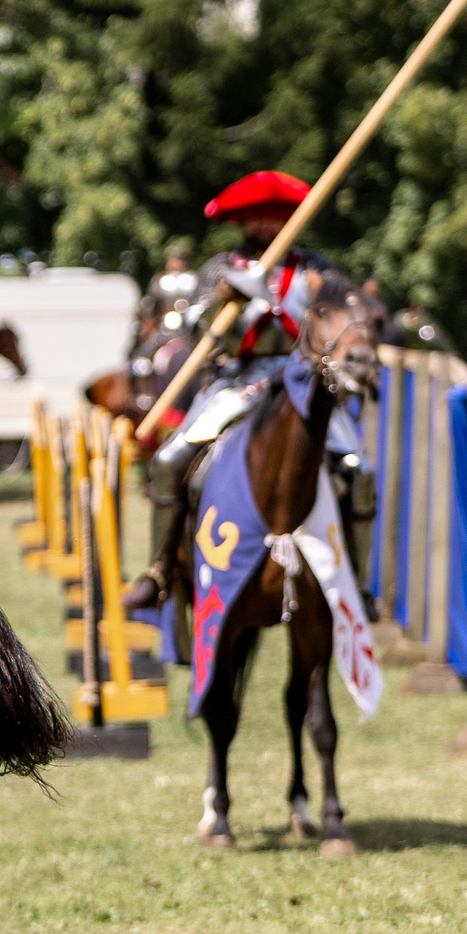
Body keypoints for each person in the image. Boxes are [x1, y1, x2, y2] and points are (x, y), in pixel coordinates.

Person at [125, 170, 364, 610]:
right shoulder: (221, 267)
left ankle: (359, 582)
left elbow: (346, 322)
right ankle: (160, 569)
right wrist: (221, 299)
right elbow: (195, 327)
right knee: (168, 460)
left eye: (276, 218)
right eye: (258, 219)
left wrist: (320, 299)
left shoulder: (315, 268)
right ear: (243, 222)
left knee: (358, 469)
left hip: (302, 382)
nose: (267, 228)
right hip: (236, 380)